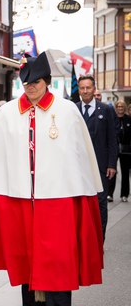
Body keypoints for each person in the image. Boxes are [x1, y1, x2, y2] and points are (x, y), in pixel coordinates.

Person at [0, 52, 104, 306]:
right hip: (20, 201)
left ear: (47, 81)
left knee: (59, 264)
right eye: (27, 83)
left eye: (36, 82)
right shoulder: (7, 113)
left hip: (59, 201)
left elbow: (81, 159)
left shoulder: (67, 111)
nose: (31, 88)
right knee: (26, 266)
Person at [77, 74, 118, 241]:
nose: (85, 91)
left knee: (100, 204)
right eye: (82, 88)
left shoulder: (106, 110)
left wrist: (112, 164)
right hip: (78, 167)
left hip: (100, 166)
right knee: (80, 203)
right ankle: (80, 240)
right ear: (79, 90)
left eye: (88, 87)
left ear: (94, 89)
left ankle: (98, 240)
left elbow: (112, 139)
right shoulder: (74, 109)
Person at [108, 100, 131, 203]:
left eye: (122, 107)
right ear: (116, 108)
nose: (120, 109)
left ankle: (124, 194)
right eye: (118, 107)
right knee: (112, 170)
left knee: (125, 172)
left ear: (124, 108)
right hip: (114, 148)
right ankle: (109, 194)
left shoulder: (128, 119)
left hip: (126, 150)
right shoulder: (112, 119)